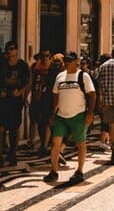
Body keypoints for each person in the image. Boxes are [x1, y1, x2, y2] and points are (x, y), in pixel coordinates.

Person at [43, 52, 96, 183]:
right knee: (55, 143)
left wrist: (90, 113)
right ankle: (53, 171)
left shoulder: (83, 76)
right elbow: (55, 94)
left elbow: (92, 94)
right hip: (61, 115)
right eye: (66, 60)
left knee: (80, 144)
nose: (67, 62)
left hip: (78, 115)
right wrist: (52, 112)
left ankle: (79, 170)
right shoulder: (60, 76)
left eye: (70, 60)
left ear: (76, 61)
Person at [0, 41, 31, 167]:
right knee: (1, 128)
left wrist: (21, 94)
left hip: (15, 101)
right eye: (8, 49)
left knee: (14, 129)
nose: (9, 51)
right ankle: (1, 155)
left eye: (12, 49)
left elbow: (28, 81)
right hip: (3, 100)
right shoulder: (2, 64)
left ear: (17, 50)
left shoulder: (22, 65)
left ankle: (13, 154)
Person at [29, 51, 53, 157]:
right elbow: (30, 81)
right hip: (36, 98)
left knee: (47, 121)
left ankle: (44, 145)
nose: (44, 58)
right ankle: (41, 143)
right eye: (43, 56)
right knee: (39, 122)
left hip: (47, 98)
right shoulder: (35, 67)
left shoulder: (52, 68)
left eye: (47, 56)